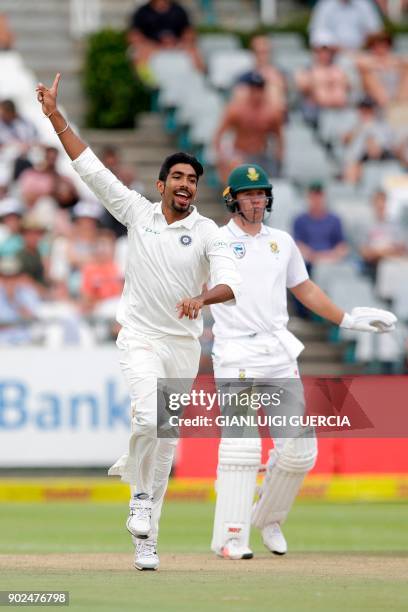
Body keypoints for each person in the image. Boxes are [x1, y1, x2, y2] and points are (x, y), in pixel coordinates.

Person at [35, 73, 240, 571]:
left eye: (192, 180)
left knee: (165, 447)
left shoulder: (208, 230)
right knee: (149, 420)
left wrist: (201, 297)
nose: (186, 186)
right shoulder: (137, 213)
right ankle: (138, 497)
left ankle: (146, 540)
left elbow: (230, 285)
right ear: (162, 184)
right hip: (141, 338)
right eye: (178, 178)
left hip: (184, 348)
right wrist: (56, 117)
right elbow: (90, 169)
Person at [209, 163, 397, 560]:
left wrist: (347, 319)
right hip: (235, 352)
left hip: (278, 352)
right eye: (248, 195)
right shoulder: (215, 242)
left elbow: (306, 289)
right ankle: (230, 537)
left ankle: (267, 517)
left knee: (298, 451)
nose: (256, 200)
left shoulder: (282, 242)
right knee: (242, 448)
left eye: (261, 194)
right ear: (234, 200)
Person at [214, 71, 284, 182]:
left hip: (261, 155)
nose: (257, 93)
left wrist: (279, 160)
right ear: (249, 90)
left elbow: (279, 138)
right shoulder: (236, 109)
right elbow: (219, 135)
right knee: (236, 166)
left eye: (259, 89)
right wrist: (224, 158)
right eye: (254, 89)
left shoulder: (271, 112)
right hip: (240, 154)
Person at [128, 0, 204, 76]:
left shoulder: (178, 10)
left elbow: (189, 31)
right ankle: (151, 84)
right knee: (140, 53)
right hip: (152, 45)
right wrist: (151, 43)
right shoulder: (142, 12)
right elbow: (134, 35)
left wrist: (180, 41)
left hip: (176, 43)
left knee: (193, 50)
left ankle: (201, 77)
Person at [293, 181, 349, 274]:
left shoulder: (335, 220)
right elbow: (297, 245)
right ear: (308, 197)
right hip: (308, 265)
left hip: (331, 262)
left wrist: (330, 256)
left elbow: (342, 245)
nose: (316, 200)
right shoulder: (300, 220)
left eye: (319, 196)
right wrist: (314, 257)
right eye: (313, 196)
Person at [295, 32, 349, 128]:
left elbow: (346, 89)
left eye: (328, 51)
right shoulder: (306, 70)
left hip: (340, 112)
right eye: (321, 51)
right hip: (316, 115)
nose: (324, 54)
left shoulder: (339, 69)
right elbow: (302, 87)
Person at [341, 96, 394, 183]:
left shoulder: (381, 125)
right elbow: (344, 139)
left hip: (381, 157)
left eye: (368, 109)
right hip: (357, 158)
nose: (366, 112)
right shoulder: (354, 123)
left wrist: (371, 140)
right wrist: (360, 127)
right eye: (363, 109)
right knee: (351, 167)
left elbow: (385, 146)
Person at [359, 190, 408, 280]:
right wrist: (383, 252)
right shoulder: (365, 226)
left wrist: (386, 252)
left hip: (394, 266)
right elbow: (364, 253)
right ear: (373, 204)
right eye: (378, 203)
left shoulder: (395, 225)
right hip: (373, 268)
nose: (381, 206)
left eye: (383, 202)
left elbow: (402, 249)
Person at [356, 31, 408, 109]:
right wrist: (380, 65)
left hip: (396, 91)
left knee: (406, 73)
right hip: (376, 95)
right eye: (377, 45)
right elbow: (360, 63)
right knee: (368, 75)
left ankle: (402, 103)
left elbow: (404, 62)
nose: (380, 48)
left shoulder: (395, 58)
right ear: (372, 46)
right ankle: (388, 104)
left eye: (384, 45)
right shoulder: (367, 58)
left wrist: (386, 65)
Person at [309, 0, 382, 51]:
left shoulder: (365, 4)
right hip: (333, 55)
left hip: (362, 52)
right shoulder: (324, 5)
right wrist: (337, 48)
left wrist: (364, 45)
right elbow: (317, 34)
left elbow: (376, 31)